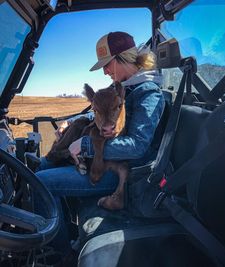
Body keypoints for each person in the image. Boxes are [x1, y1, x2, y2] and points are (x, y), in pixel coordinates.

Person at [34, 31, 165, 263]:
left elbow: (137, 147)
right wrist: (71, 123)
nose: (105, 71)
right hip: (104, 162)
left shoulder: (148, 93)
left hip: (123, 173)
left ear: (124, 58)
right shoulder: (123, 86)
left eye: (108, 64)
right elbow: (98, 111)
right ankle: (62, 230)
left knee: (41, 182)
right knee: (45, 163)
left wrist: (86, 146)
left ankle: (59, 255)